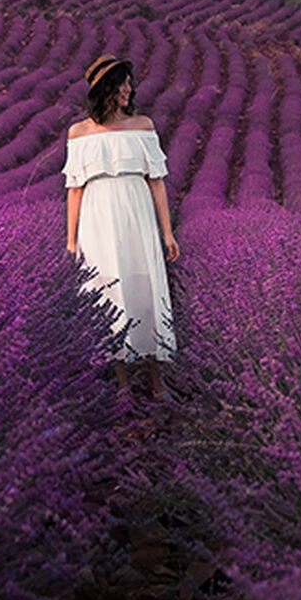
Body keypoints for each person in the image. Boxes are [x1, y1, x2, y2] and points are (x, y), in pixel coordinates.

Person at [64, 55, 179, 394]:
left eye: (129, 83)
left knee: (145, 289)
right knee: (109, 293)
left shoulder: (143, 126)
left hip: (137, 212)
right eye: (122, 83)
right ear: (106, 90)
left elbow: (156, 182)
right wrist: (71, 241)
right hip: (98, 219)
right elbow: (74, 190)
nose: (129, 89)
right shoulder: (79, 133)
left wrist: (167, 231)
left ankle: (156, 380)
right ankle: (123, 383)